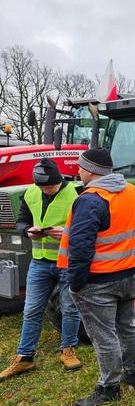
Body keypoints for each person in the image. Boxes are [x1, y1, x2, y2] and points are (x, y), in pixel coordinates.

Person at [57, 148, 135, 406]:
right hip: (129, 275)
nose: (78, 172)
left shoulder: (91, 199)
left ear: (92, 171)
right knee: (127, 325)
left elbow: (81, 246)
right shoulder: (132, 192)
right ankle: (133, 373)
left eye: (81, 168)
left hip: (99, 282)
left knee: (104, 335)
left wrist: (75, 282)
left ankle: (109, 387)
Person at [0, 159, 81, 381]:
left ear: (59, 181)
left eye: (50, 187)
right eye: (42, 187)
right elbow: (21, 221)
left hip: (67, 261)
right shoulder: (30, 193)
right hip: (40, 261)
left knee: (69, 308)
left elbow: (87, 227)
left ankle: (68, 350)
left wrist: (66, 231)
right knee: (31, 310)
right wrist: (28, 230)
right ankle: (24, 357)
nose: (46, 190)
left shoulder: (76, 194)